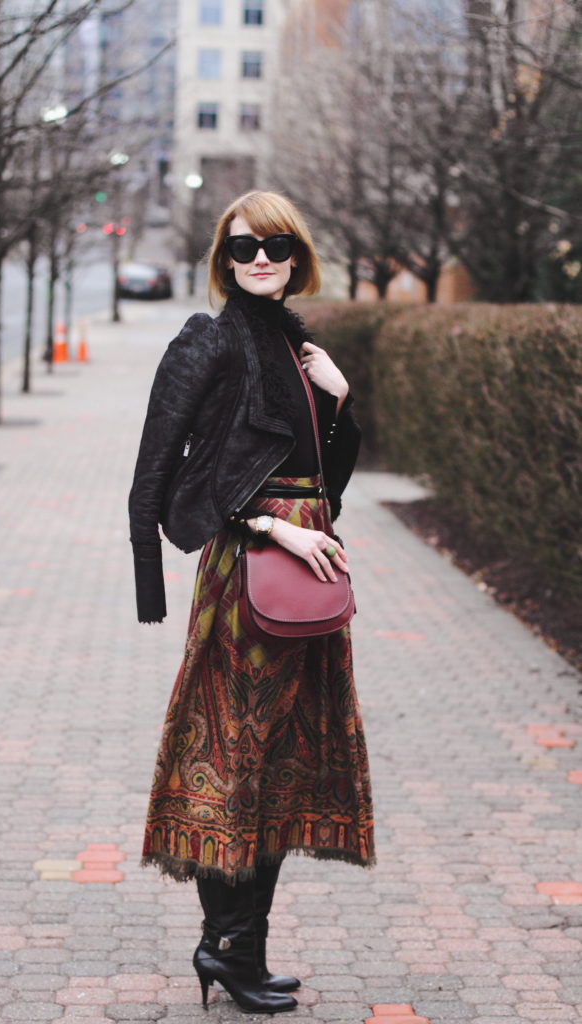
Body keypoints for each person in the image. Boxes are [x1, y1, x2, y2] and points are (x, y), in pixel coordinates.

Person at [128, 190, 375, 1014]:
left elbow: (326, 486)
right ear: (222, 259)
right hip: (252, 573)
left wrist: (340, 403)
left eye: (274, 245)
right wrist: (274, 526)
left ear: (297, 252)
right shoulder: (210, 341)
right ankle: (225, 948)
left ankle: (245, 950)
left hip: (306, 565)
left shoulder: (294, 342)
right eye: (242, 248)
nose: (259, 258)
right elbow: (174, 480)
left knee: (280, 764)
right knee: (234, 758)